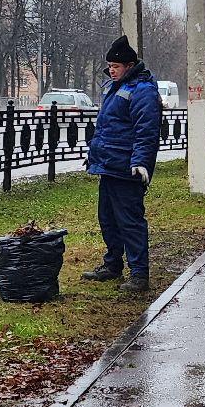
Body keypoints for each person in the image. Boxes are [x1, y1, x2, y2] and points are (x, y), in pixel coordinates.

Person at [81, 35, 163, 293]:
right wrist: (95, 155)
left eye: (115, 67)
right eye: (109, 67)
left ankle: (139, 274)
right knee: (107, 219)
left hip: (127, 169)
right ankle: (113, 264)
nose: (111, 71)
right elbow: (107, 128)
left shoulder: (143, 91)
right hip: (109, 165)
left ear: (129, 65)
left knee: (130, 221)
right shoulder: (114, 87)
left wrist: (141, 163)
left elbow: (146, 131)